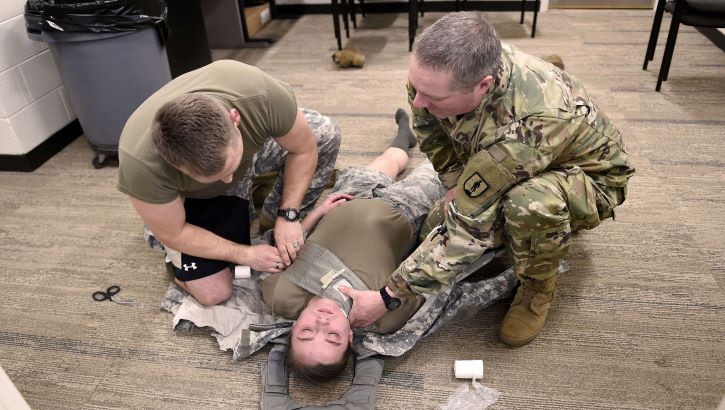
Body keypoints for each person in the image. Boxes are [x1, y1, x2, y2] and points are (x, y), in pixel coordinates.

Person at [342, 12, 636, 347]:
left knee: (526, 204)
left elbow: (469, 228)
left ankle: (537, 287)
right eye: (416, 88)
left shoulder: (532, 121)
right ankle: (506, 231)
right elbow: (428, 127)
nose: (419, 102)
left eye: (433, 98)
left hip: (589, 177)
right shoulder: (440, 74)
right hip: (515, 153)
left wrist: (389, 296)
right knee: (438, 224)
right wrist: (455, 182)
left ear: (483, 85)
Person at [117, 60, 340, 306]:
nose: (229, 181)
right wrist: (246, 255)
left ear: (235, 118)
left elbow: (304, 148)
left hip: (249, 137)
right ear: (175, 165)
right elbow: (177, 233)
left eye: (230, 168)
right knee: (214, 293)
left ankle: (271, 216)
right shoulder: (142, 166)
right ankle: (158, 222)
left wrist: (288, 214)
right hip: (188, 198)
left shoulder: (258, 93)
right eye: (215, 178)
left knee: (325, 133)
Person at [258, 109, 446, 383]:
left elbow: (284, 250)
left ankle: (402, 138)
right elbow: (428, 281)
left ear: (293, 327)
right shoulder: (380, 318)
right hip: (404, 211)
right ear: (349, 337)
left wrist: (315, 215)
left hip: (345, 199)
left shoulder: (280, 297)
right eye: (332, 336)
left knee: (389, 160)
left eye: (307, 332)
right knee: (440, 167)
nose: (321, 323)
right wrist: (386, 297)